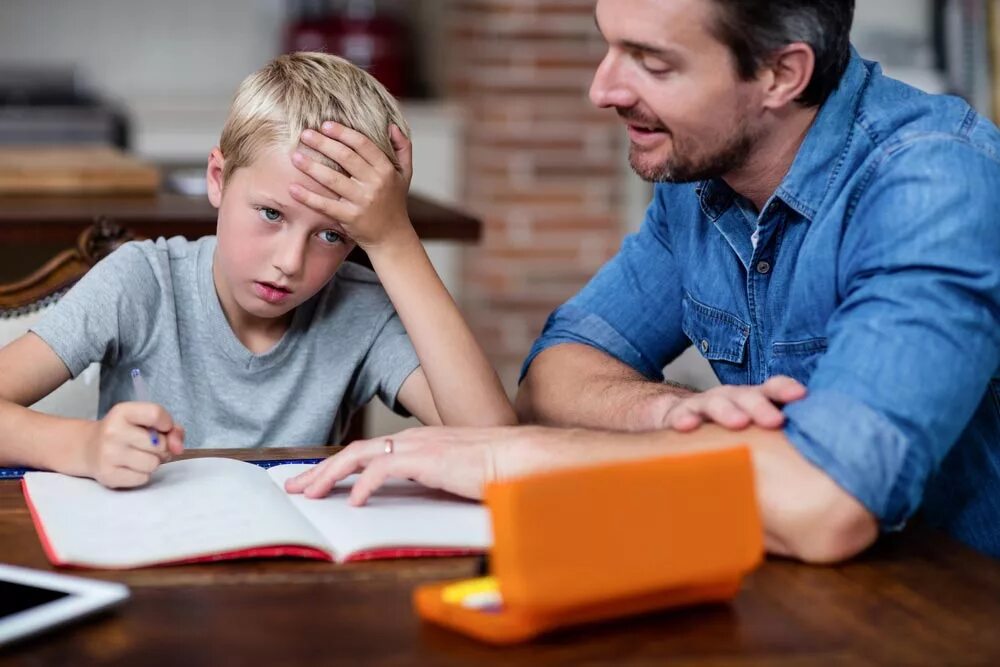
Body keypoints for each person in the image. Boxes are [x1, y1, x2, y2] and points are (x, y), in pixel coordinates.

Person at [286, 0, 1000, 563]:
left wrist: (515, 457)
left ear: (783, 74)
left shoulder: (935, 182)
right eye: (608, 43)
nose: (602, 88)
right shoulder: (701, 181)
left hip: (951, 614)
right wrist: (670, 414)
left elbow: (826, 504)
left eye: (651, 62)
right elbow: (556, 376)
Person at [0, 52, 515, 489]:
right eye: (271, 214)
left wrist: (396, 239)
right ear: (219, 179)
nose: (290, 263)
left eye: (332, 234)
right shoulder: (142, 281)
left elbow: (495, 450)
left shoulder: (360, 309)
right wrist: (85, 447)